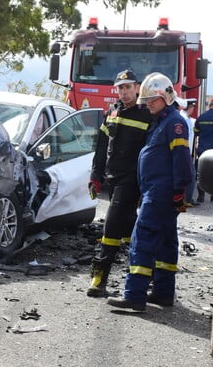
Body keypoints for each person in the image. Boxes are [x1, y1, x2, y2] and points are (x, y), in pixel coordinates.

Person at [107, 72, 193, 311]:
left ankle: (134, 294)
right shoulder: (161, 122)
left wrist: (179, 191)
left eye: (153, 99)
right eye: (147, 100)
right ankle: (163, 293)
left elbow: (182, 160)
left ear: (166, 97)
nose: (149, 104)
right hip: (157, 192)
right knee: (166, 242)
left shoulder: (174, 123)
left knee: (141, 239)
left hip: (160, 194)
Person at [87, 69, 152, 297]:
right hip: (112, 178)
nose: (124, 92)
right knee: (130, 227)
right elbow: (101, 145)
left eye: (128, 87)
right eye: (120, 88)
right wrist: (96, 175)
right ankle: (146, 274)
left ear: (137, 88)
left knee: (111, 224)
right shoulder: (112, 111)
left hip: (132, 179)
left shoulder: (147, 114)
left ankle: (99, 278)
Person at [178, 98, 198, 207]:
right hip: (185, 152)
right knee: (191, 175)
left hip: (187, 151)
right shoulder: (184, 118)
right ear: (189, 108)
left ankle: (186, 199)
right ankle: (186, 200)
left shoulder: (185, 118)